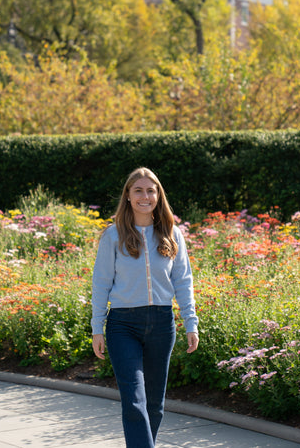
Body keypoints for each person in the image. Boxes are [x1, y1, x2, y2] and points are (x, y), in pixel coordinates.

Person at [91, 167, 199, 448]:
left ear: (158, 195)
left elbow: (183, 281)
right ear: (127, 195)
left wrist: (191, 322)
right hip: (123, 325)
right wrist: (97, 328)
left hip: (162, 324)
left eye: (151, 190)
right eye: (138, 190)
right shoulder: (113, 236)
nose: (145, 196)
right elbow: (101, 283)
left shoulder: (172, 234)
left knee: (155, 406)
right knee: (134, 402)